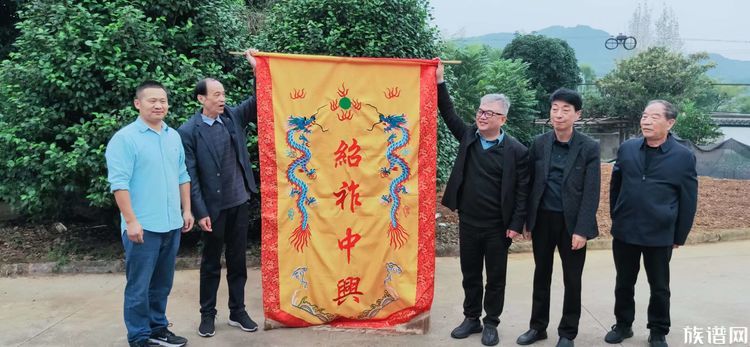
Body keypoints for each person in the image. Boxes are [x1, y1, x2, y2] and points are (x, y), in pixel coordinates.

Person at [436, 61, 529, 346]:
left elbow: (523, 192)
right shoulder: (468, 138)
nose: (483, 116)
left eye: (490, 113)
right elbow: (448, 113)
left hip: (498, 228)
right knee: (470, 274)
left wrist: (515, 225)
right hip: (469, 221)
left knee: (496, 278)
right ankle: (471, 318)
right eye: (480, 111)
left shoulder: (517, 151)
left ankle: (491, 322)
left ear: (503, 119)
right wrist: (440, 82)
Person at [177, 49, 260, 337]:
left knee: (238, 260)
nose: (222, 98)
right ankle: (207, 315)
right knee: (211, 263)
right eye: (216, 94)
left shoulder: (233, 118)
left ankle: (238, 311)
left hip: (239, 201)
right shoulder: (189, 131)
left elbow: (260, 98)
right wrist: (200, 212)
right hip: (213, 209)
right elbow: (190, 175)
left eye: (223, 93)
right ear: (202, 99)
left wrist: (256, 68)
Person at [106, 80, 194, 347]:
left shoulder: (173, 136)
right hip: (142, 227)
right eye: (152, 100)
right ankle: (139, 337)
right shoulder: (125, 139)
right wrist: (131, 221)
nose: (159, 105)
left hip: (171, 224)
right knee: (138, 287)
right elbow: (119, 183)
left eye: (163, 101)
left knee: (162, 284)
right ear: (138, 103)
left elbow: (183, 175)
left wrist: (187, 210)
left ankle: (158, 329)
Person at [604, 100, 698, 347]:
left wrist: (679, 235)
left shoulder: (683, 156)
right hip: (625, 230)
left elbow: (688, 199)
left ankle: (658, 330)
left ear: (670, 122)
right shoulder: (628, 149)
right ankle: (623, 325)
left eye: (654, 117)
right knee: (624, 282)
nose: (646, 120)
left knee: (659, 286)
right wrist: (617, 215)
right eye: (645, 115)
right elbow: (616, 186)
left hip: (659, 233)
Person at [516, 88, 600, 347]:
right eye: (555, 109)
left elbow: (591, 191)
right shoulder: (540, 143)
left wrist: (582, 230)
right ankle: (537, 327)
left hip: (572, 224)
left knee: (572, 279)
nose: (559, 114)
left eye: (566, 110)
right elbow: (528, 183)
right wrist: (527, 221)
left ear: (577, 114)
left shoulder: (589, 147)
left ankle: (567, 333)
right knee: (541, 274)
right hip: (543, 220)